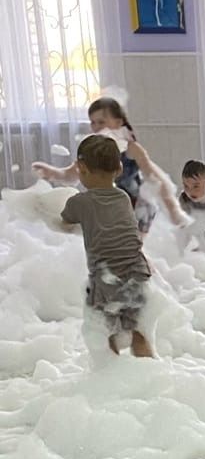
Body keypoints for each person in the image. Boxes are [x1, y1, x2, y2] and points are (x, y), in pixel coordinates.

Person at [54, 132, 154, 357]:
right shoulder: (123, 198)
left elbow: (63, 221)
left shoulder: (80, 202)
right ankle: (150, 375)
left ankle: (109, 376)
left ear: (81, 167)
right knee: (138, 332)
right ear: (119, 169)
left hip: (105, 277)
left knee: (105, 333)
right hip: (137, 271)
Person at [34, 95, 183, 236]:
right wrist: (53, 173)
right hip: (109, 205)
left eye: (102, 122)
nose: (97, 127)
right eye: (93, 122)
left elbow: (155, 179)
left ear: (118, 123)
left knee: (133, 248)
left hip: (137, 206)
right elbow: (71, 174)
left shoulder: (131, 148)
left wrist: (173, 210)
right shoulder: (92, 149)